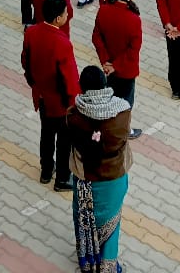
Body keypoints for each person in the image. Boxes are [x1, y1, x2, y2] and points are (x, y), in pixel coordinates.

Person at [68, 65, 134, 273]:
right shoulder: (122, 111)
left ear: (83, 87)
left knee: (85, 218)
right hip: (113, 177)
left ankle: (88, 261)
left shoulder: (74, 114)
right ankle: (107, 266)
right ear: (105, 84)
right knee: (112, 222)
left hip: (86, 178)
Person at [21, 0, 80, 191]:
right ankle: (62, 179)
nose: (67, 16)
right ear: (57, 18)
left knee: (46, 134)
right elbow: (69, 78)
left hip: (41, 95)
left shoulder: (31, 33)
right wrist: (74, 102)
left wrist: (33, 84)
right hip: (61, 102)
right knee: (64, 141)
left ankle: (46, 170)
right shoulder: (62, 42)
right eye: (65, 13)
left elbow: (25, 60)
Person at [91, 0, 143, 134]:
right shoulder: (134, 19)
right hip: (125, 69)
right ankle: (124, 130)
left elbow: (96, 37)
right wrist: (116, 66)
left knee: (110, 97)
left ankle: (108, 126)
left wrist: (106, 62)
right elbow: (134, 49)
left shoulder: (104, 9)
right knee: (126, 102)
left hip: (108, 67)